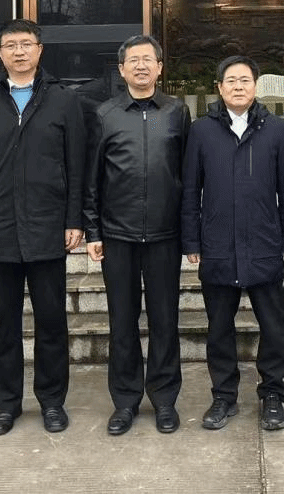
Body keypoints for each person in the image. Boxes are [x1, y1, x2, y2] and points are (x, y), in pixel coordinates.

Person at [0, 19, 86, 436]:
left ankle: (52, 402)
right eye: (10, 45)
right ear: (0, 53)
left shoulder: (64, 101)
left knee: (51, 322)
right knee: (3, 326)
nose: (19, 51)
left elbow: (76, 166)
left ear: (40, 49)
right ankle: (6, 404)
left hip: (48, 226)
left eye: (26, 43)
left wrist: (75, 219)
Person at [182, 55, 284, 432]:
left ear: (255, 86)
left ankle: (273, 394)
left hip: (264, 243)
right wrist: (191, 239)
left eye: (245, 80)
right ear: (219, 88)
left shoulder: (275, 128)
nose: (237, 86)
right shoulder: (202, 130)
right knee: (219, 328)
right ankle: (223, 396)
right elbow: (190, 190)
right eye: (230, 80)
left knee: (273, 327)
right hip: (217, 244)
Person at [84, 34, 191, 436]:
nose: (141, 66)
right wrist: (93, 230)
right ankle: (125, 401)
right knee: (122, 322)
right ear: (122, 69)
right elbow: (92, 179)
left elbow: (187, 175)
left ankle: (164, 399)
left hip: (166, 235)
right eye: (134, 60)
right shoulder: (105, 114)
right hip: (118, 236)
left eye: (149, 59)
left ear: (160, 67)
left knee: (165, 321)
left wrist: (189, 232)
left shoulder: (176, 112)